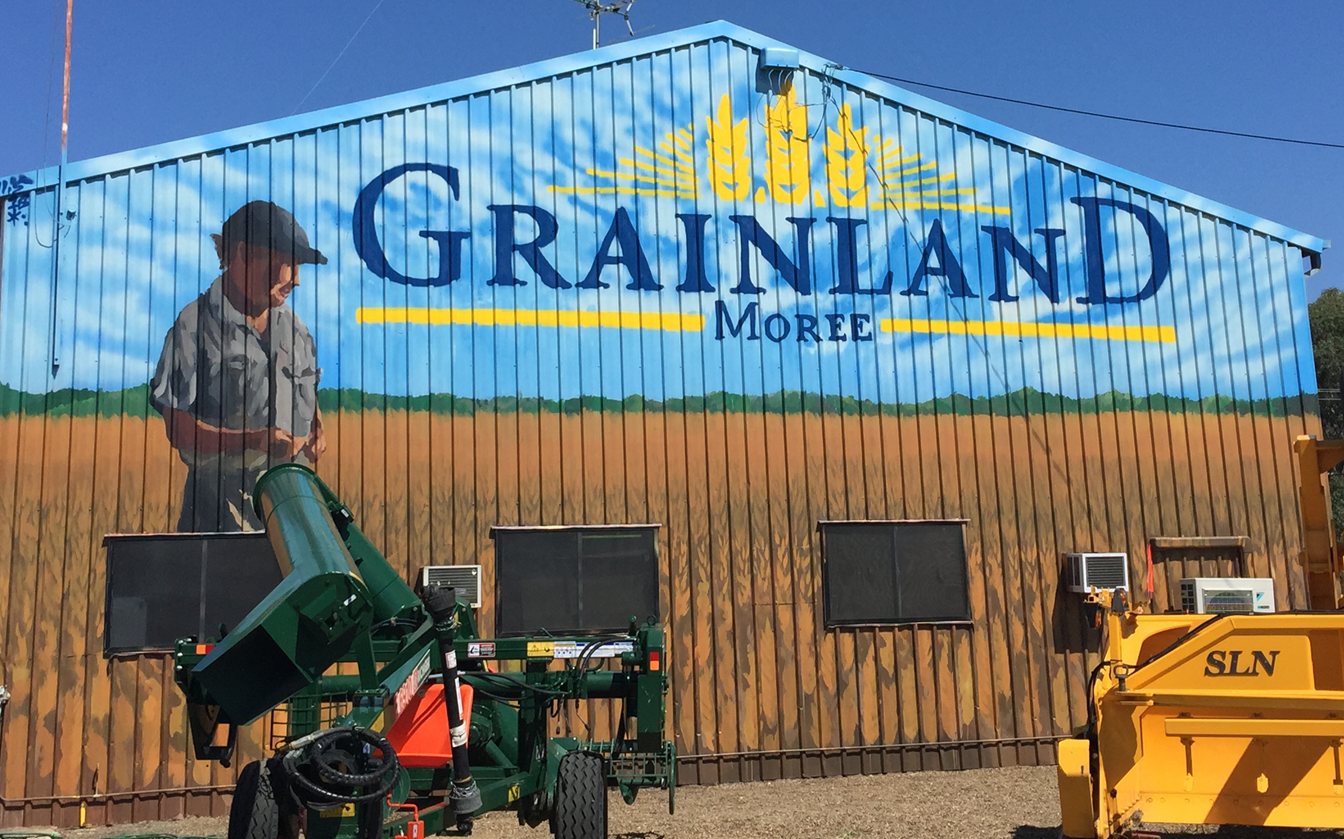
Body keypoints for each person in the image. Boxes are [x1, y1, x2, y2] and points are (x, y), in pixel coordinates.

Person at [150, 200, 327, 531]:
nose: (297, 280)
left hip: (293, 510)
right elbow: (178, 428)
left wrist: (317, 431)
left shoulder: (294, 328)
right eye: (288, 264)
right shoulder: (195, 325)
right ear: (245, 254)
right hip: (218, 515)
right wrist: (254, 440)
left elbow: (308, 392)